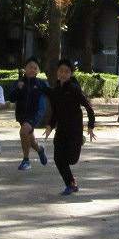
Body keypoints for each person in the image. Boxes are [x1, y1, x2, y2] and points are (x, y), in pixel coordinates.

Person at [43, 58, 96, 196]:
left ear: (71, 73)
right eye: (61, 71)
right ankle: (71, 184)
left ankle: (80, 140)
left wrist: (90, 126)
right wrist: (50, 126)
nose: (63, 74)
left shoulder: (74, 89)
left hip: (74, 129)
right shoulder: (56, 90)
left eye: (67, 71)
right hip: (61, 129)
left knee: (72, 159)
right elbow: (55, 111)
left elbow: (89, 108)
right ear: (57, 72)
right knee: (58, 158)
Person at [8, 56, 50, 171]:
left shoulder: (41, 83)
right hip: (22, 115)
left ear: (38, 70)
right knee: (30, 139)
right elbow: (11, 98)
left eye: (35, 68)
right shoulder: (19, 83)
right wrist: (18, 89)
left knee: (23, 131)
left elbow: (52, 95)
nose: (32, 70)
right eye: (30, 67)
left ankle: (26, 160)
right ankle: (40, 150)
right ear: (25, 69)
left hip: (35, 114)